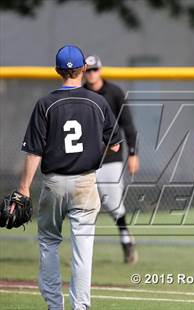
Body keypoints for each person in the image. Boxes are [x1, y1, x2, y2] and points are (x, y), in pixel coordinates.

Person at [18, 45, 122, 310]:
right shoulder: (98, 102)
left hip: (54, 182)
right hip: (86, 183)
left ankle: (54, 306)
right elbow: (116, 145)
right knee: (83, 248)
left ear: (57, 71)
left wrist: (24, 189)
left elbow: (33, 152)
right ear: (84, 69)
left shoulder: (45, 104)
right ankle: (81, 307)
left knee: (49, 242)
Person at [83, 55, 139, 264]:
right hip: (86, 159)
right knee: (83, 205)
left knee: (113, 203)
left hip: (112, 157)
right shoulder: (81, 93)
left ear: (101, 69)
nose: (91, 74)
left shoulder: (114, 92)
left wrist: (133, 153)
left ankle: (126, 239)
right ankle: (82, 251)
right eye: (88, 70)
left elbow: (128, 125)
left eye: (94, 70)